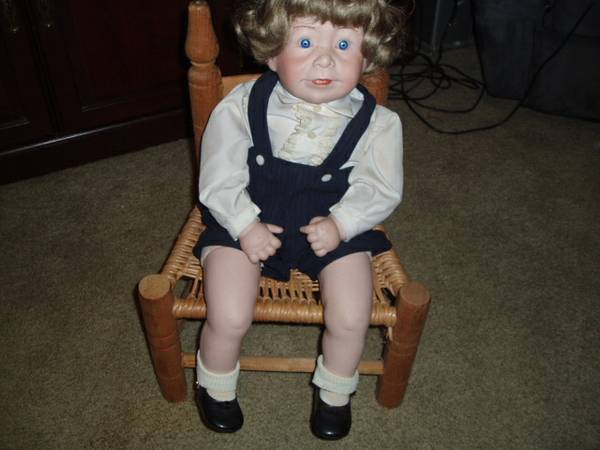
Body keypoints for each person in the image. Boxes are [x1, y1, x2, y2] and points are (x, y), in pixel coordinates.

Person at [193, 0, 407, 439]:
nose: (325, 60)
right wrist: (244, 224)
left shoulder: (379, 124)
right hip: (245, 222)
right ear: (272, 52)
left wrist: (342, 224)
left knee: (352, 316)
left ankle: (334, 393)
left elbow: (381, 188)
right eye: (306, 43)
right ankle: (215, 384)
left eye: (344, 45)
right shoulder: (241, 106)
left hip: (332, 228)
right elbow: (218, 175)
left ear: (367, 55)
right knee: (229, 314)